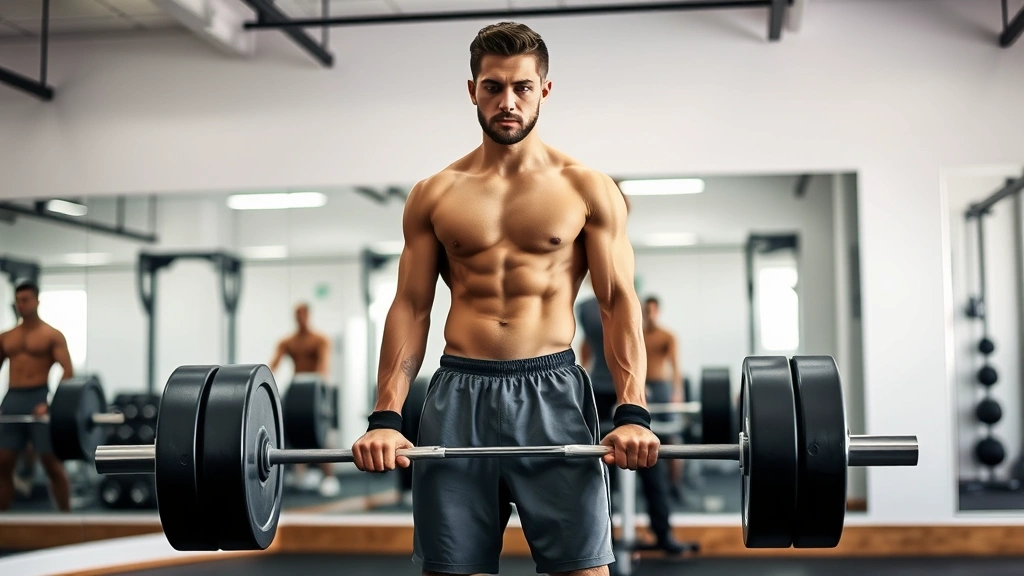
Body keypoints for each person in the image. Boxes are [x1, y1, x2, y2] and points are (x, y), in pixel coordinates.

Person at [350, 22, 661, 576]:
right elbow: (411, 306)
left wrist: (632, 411)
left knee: (582, 568)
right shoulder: (434, 193)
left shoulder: (587, 188)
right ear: (472, 90)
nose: (507, 102)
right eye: (493, 87)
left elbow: (617, 303)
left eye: (522, 87)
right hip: (458, 393)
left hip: (552, 392)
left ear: (545, 89)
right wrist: (386, 416)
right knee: (452, 568)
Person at [579, 286, 685, 555]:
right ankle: (603, 540)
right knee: (602, 467)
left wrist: (640, 387)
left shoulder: (625, 299)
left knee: (648, 459)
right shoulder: (588, 307)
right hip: (602, 391)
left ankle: (660, 532)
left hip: (626, 391)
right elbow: (589, 346)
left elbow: (631, 342)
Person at [0, 282, 74, 512]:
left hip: (38, 397)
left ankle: (67, 519)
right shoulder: (7, 337)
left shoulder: (51, 335)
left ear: (37, 301)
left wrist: (51, 405)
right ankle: (3, 522)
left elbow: (68, 370)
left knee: (51, 463)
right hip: (12, 398)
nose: (21, 305)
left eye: (25, 300)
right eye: (18, 300)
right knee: (3, 463)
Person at [269, 302, 341, 498]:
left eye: (302, 314)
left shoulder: (320, 339)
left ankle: (329, 478)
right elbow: (273, 365)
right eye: (296, 315)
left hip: (317, 391)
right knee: (296, 432)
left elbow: (324, 365)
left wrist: (318, 388)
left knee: (324, 435)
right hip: (297, 393)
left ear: (308, 315)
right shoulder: (288, 342)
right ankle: (301, 476)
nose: (299, 318)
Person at [641, 296, 686, 488]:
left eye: (653, 311)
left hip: (662, 388)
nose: (649, 315)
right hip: (643, 388)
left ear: (658, 312)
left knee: (670, 438)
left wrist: (677, 392)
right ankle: (653, 486)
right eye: (647, 311)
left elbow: (676, 366)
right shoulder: (637, 334)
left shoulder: (667, 336)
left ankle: (675, 486)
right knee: (645, 435)